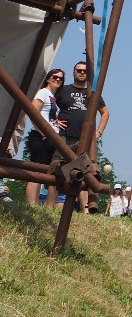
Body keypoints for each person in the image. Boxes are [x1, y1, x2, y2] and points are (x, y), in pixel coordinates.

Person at [56, 62, 110, 213]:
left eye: (84, 71)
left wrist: (99, 132)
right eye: (78, 70)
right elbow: (49, 105)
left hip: (85, 139)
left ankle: (85, 209)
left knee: (85, 172)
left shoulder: (93, 93)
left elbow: (105, 113)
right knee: (58, 168)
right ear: (73, 72)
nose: (81, 73)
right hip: (65, 137)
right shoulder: (63, 90)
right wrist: (54, 121)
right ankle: (55, 205)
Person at [25, 68, 65, 206]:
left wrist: (56, 121)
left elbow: (46, 115)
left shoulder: (52, 97)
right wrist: (43, 133)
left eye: (61, 78)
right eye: (55, 76)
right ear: (48, 78)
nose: (58, 79)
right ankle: (32, 204)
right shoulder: (43, 92)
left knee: (47, 172)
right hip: (41, 137)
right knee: (37, 170)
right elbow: (33, 112)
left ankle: (42, 204)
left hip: (52, 138)